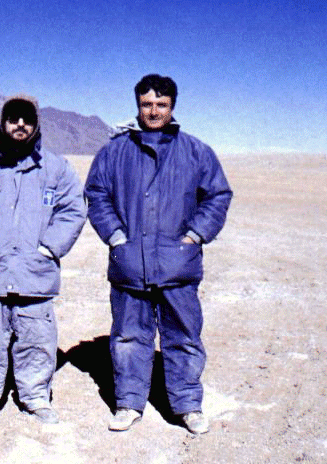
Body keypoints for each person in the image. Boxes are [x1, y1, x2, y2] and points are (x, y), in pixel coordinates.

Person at [84, 74, 232, 434]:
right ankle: (128, 403)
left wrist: (195, 235)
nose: (153, 111)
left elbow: (217, 195)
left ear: (172, 107)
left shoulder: (196, 151)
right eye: (147, 104)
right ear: (137, 105)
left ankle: (187, 406)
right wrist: (116, 237)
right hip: (129, 265)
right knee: (129, 337)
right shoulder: (115, 151)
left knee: (183, 337)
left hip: (177, 265)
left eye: (161, 104)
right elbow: (97, 194)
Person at [0, 94, 86, 427]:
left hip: (35, 274)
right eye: (13, 118)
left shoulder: (56, 168)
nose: (20, 124)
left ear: (36, 124)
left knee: (37, 340)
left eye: (27, 118)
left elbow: (73, 209)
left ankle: (35, 397)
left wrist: (49, 248)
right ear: (3, 123)